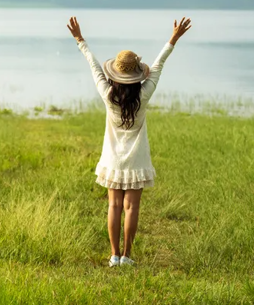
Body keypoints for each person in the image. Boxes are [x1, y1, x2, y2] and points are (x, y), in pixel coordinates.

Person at [66, 15, 192, 267]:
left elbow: (93, 66)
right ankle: (127, 255)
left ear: (115, 74)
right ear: (137, 75)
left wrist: (80, 39)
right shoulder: (144, 95)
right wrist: (173, 39)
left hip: (113, 157)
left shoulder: (107, 94)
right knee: (131, 208)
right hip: (137, 157)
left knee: (114, 205)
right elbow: (158, 66)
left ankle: (114, 256)